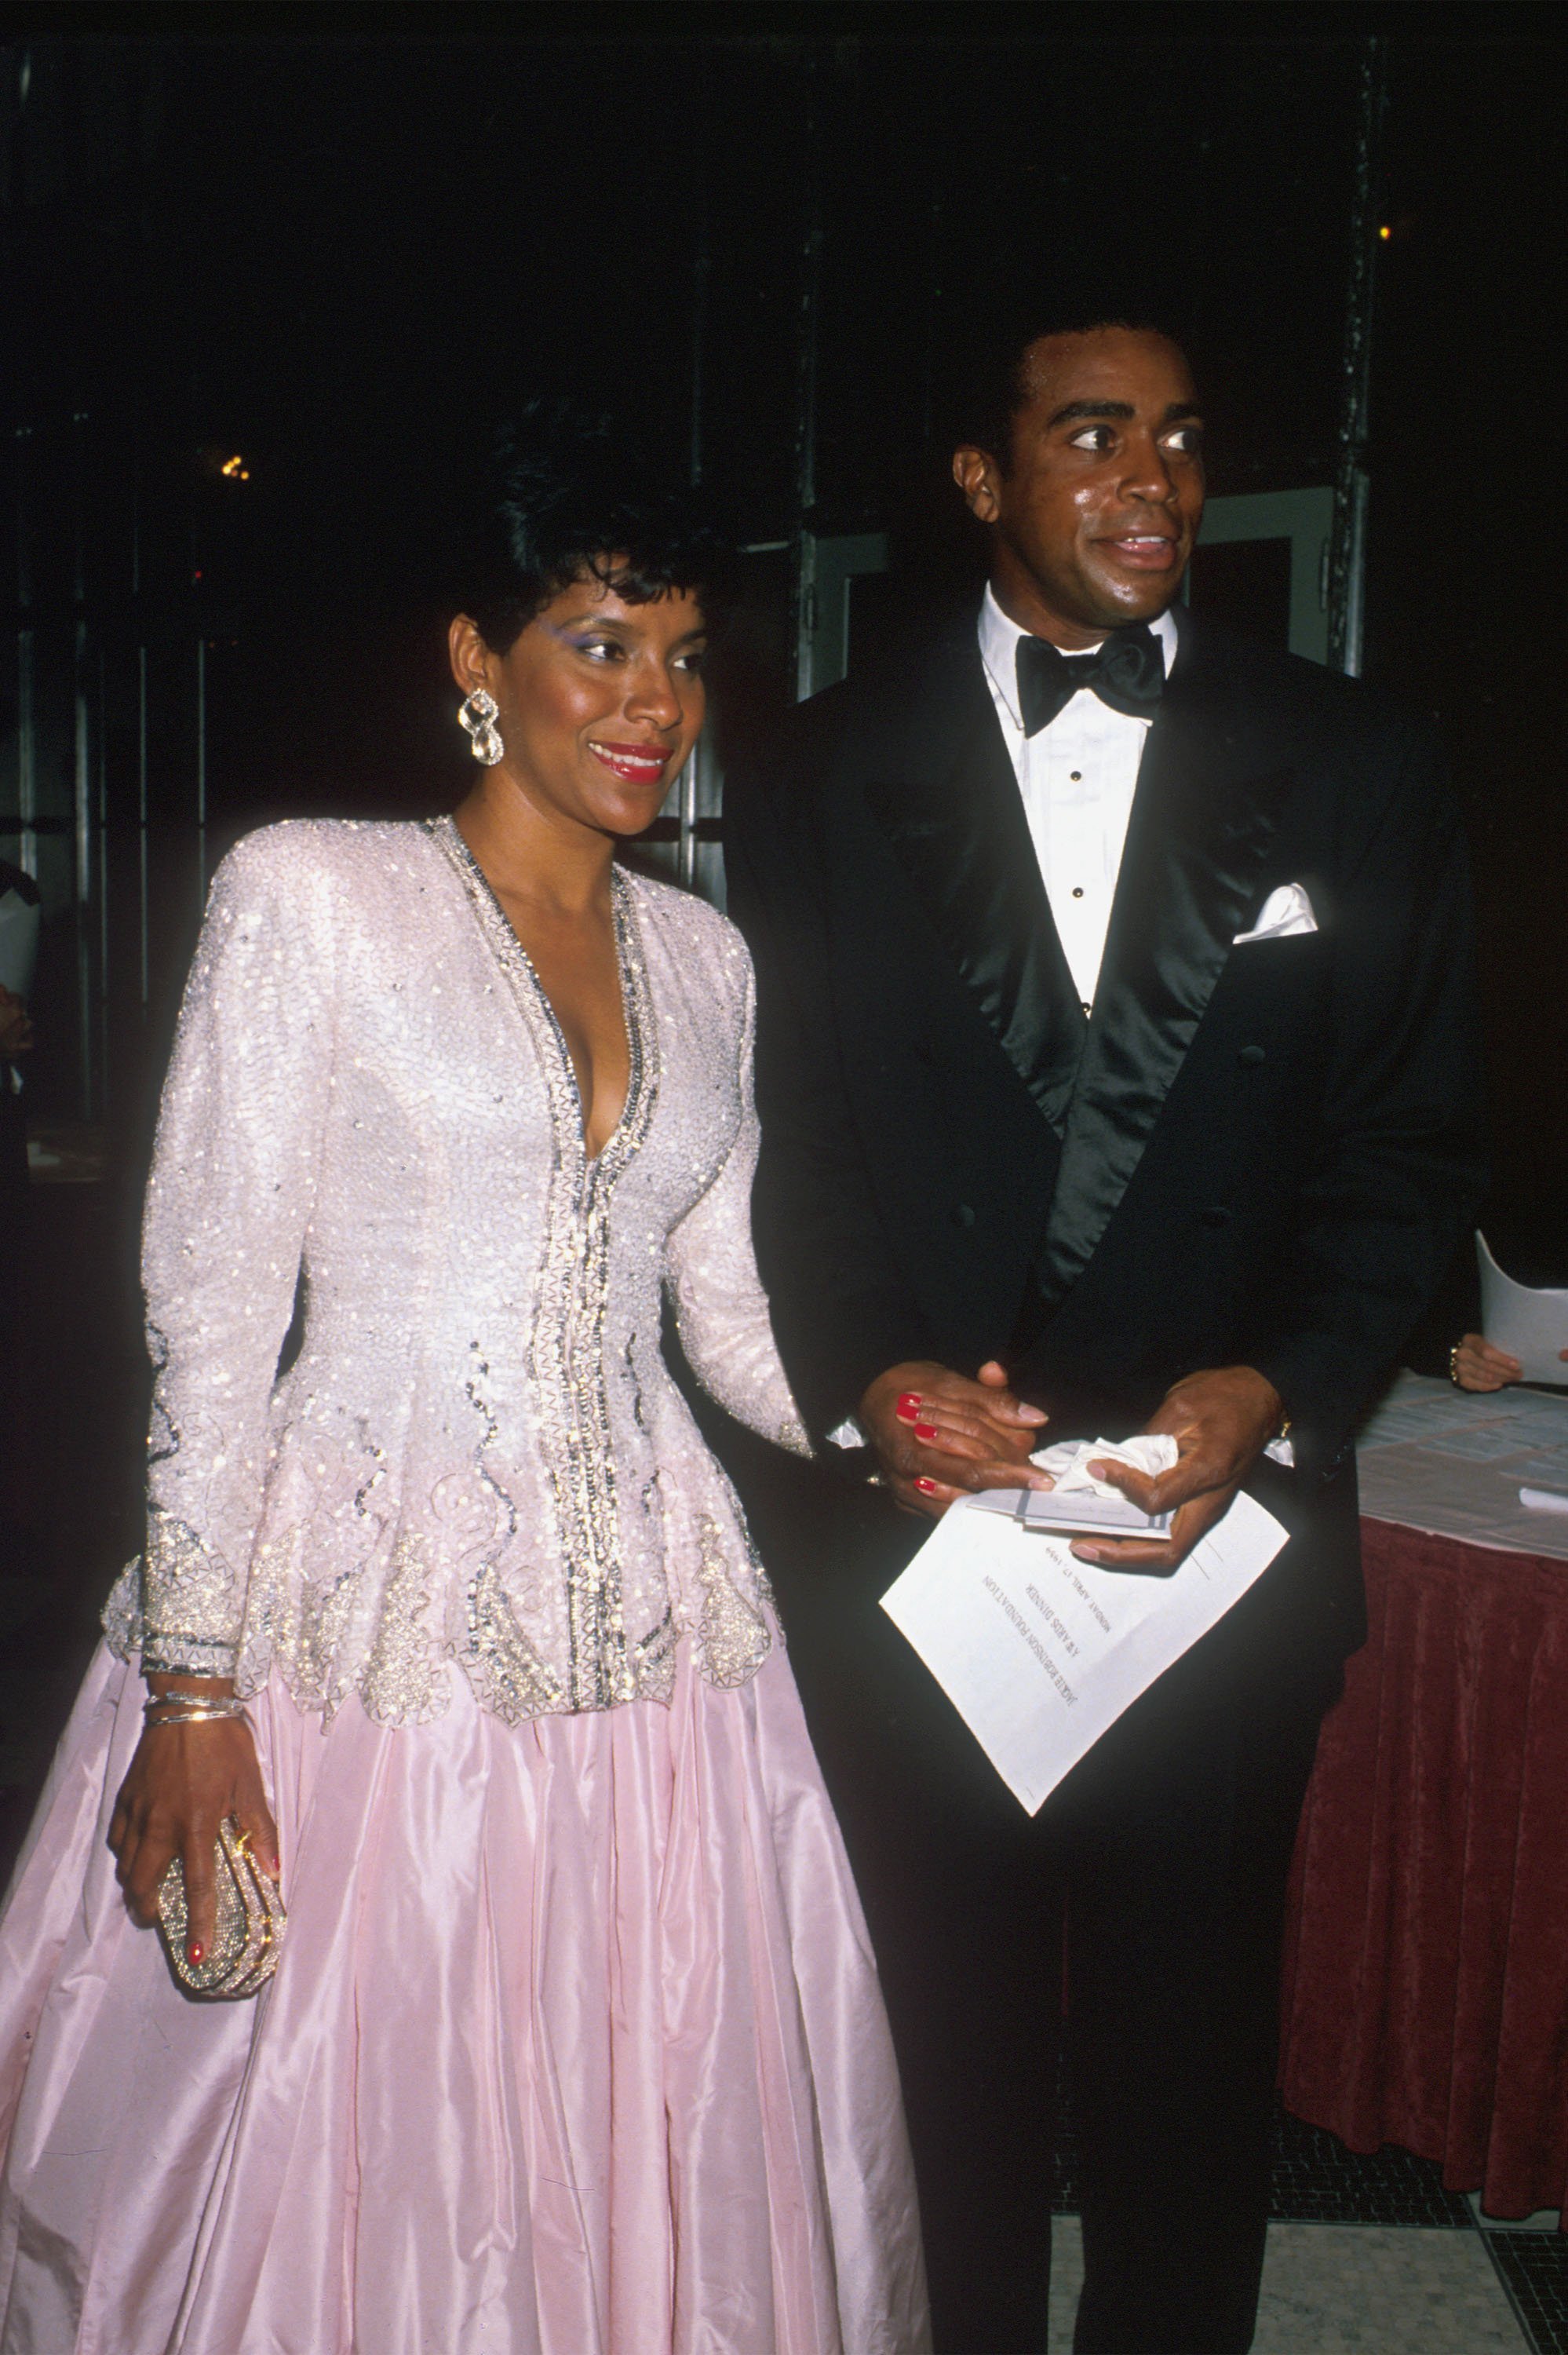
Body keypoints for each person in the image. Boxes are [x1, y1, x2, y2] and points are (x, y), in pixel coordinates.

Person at [0, 411, 928, 2355]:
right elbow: (212, 1311)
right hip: (360, 1623)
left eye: (683, 654)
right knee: (361, 2137)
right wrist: (195, 1679)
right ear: (473, 663)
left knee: (640, 2108)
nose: (652, 701)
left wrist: (872, 1418)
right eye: (600, 642)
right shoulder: (314, 893)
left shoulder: (704, 956)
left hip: (662, 1634)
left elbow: (721, 1303)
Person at [724, 309, 1484, 2353]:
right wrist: (868, 1376)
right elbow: (771, 1138)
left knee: (1180, 2053)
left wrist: (1281, 1383)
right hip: (925, 1529)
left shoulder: (1354, 755)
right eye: (1087, 436)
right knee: (935, 2050)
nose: (1149, 483)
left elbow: (1406, 1144)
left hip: (1206, 1525)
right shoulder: (805, 759)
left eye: (1174, 439)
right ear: (976, 476)